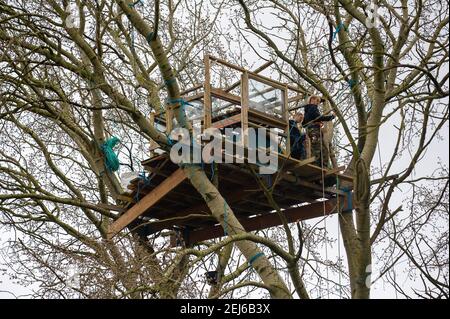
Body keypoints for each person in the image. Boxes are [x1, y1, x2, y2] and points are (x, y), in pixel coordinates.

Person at [303, 95, 335, 168]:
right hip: (314, 130)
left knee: (323, 149)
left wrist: (316, 122)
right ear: (312, 100)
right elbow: (318, 117)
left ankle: (323, 166)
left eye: (318, 102)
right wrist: (331, 117)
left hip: (312, 129)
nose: (318, 103)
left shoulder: (308, 110)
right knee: (317, 148)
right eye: (317, 101)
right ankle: (316, 166)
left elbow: (304, 123)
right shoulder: (312, 107)